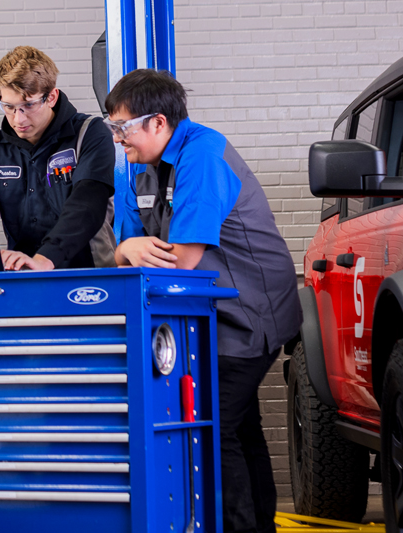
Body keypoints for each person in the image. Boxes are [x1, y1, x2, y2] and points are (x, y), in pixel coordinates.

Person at [105, 69, 301, 533]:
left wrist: (130, 253)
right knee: (240, 425)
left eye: (123, 127)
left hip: (250, 312)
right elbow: (130, 253)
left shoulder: (204, 154)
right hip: (205, 315)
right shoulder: (131, 167)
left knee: (217, 432)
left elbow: (181, 261)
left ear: (158, 123)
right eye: (112, 127)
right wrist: (121, 251)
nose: (117, 138)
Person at [0, 45, 115, 271]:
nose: (18, 118)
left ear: (51, 97)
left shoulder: (89, 133)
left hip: (88, 275)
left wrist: (45, 258)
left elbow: (87, 205)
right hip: (24, 277)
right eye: (8, 107)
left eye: (28, 105)